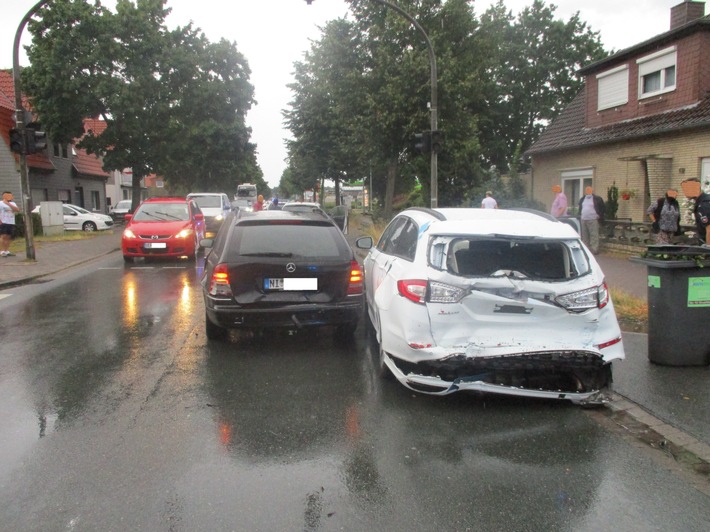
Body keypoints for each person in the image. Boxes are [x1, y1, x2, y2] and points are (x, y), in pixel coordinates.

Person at [577, 186, 605, 254]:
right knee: (584, 235)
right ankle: (586, 249)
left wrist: (599, 215)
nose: (588, 191)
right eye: (586, 190)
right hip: (584, 219)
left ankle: (594, 249)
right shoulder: (582, 199)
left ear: (592, 190)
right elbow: (580, 208)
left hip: (592, 219)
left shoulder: (597, 198)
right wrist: (580, 215)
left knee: (593, 235)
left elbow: (602, 207)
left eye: (589, 190)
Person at [0, 191, 20, 257]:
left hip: (11, 222)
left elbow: (17, 210)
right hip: (3, 222)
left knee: (8, 237)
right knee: (3, 236)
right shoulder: (1, 203)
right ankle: (2, 251)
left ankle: (6, 251)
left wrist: (8, 204)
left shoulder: (13, 203)